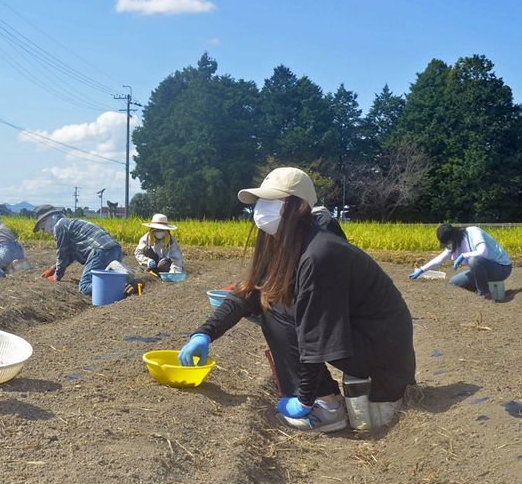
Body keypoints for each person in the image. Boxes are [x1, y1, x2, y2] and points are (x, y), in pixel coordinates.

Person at [177, 167, 416, 432]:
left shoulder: (320, 252)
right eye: (260, 202)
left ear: (300, 206)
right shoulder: (283, 242)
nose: (261, 209)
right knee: (269, 300)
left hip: (383, 349)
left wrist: (304, 398)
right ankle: (324, 397)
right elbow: (249, 293)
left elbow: (315, 332)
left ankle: (325, 407)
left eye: (271, 201)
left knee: (276, 310)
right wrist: (204, 334)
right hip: (359, 337)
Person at [32, 204, 124, 295]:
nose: (44, 231)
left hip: (100, 250)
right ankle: (120, 284)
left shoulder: (59, 226)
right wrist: (53, 268)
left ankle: (118, 286)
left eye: (43, 228)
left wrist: (56, 276)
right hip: (115, 249)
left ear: (46, 220)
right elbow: (70, 256)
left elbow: (62, 254)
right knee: (108, 277)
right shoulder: (69, 223)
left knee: (84, 286)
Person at [409, 224, 512, 300]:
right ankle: (481, 288)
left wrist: (464, 255)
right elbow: (439, 259)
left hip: (501, 268)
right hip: (483, 270)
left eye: (449, 242)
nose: (449, 245)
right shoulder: (455, 243)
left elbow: (482, 252)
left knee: (474, 259)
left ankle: (484, 293)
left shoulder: (473, 232)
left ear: (453, 237)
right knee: (455, 281)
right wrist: (421, 270)